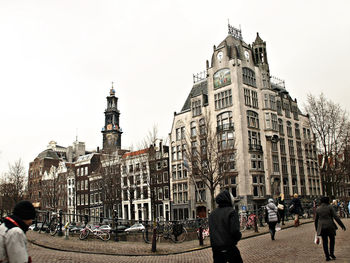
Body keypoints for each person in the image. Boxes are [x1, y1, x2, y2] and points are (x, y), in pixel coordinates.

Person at [209, 190, 243, 263]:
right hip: (229, 247)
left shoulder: (212, 214)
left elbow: (211, 232)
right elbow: (235, 231)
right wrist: (238, 237)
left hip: (216, 249)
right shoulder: (231, 212)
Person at [315, 196, 346, 261]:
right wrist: (342, 225)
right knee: (332, 240)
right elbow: (336, 217)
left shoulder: (318, 209)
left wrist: (317, 229)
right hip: (330, 226)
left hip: (322, 227)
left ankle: (327, 256)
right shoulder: (330, 207)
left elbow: (316, 220)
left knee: (324, 242)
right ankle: (331, 253)